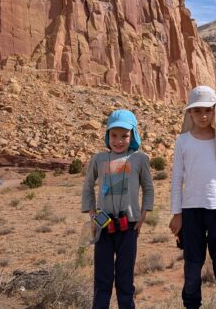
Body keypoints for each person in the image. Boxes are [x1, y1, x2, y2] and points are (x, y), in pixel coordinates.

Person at [169, 85, 216, 309]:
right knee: (192, 270)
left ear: (214, 111)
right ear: (189, 113)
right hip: (191, 212)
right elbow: (177, 178)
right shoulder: (183, 141)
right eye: (197, 111)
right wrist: (177, 214)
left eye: (207, 110)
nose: (202, 116)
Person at [82, 109, 154, 309]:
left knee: (125, 280)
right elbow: (88, 187)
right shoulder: (98, 159)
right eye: (114, 135)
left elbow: (148, 189)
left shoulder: (140, 159)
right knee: (102, 281)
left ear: (133, 135)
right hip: (103, 227)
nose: (119, 140)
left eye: (124, 135)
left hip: (129, 227)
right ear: (107, 135)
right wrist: (91, 216)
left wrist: (142, 217)